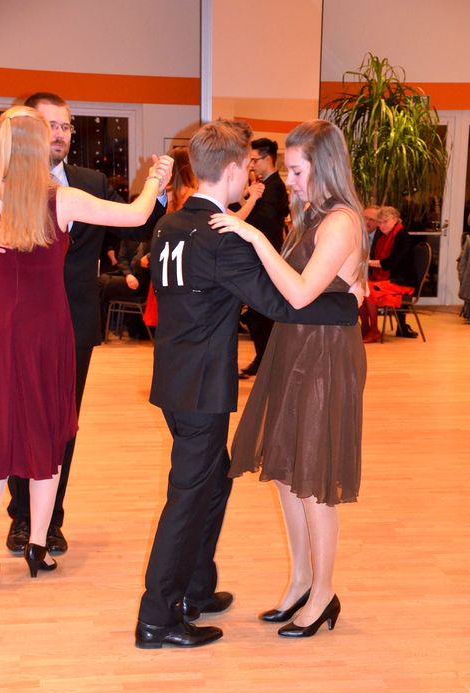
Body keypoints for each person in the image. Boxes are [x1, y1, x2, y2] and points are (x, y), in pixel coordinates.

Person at [135, 119, 361, 650]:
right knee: (189, 497)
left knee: (213, 483)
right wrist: (347, 305)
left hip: (174, 376)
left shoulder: (170, 224)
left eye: (296, 170)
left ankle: (196, 588)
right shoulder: (222, 238)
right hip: (201, 386)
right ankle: (157, 616)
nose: (267, 177)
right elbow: (284, 302)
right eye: (252, 169)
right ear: (235, 169)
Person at [210, 119, 368, 638]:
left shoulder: (340, 221)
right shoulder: (312, 216)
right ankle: (302, 580)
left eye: (298, 171)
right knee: (285, 469)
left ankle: (323, 593)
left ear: (324, 167)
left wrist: (254, 235)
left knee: (313, 477)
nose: (291, 180)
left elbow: (298, 293)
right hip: (295, 347)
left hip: (323, 355)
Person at [0, 105, 172, 576]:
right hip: (47, 330)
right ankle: (38, 544)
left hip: (5, 329)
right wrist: (156, 178)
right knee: (49, 433)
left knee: (4, 431)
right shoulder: (63, 199)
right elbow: (137, 214)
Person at [233, 138, 290, 378]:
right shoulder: (264, 185)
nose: (252, 165)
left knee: (260, 314)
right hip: (260, 256)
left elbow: (264, 223)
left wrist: (245, 205)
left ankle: (266, 360)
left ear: (268, 159)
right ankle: (264, 359)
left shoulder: (274, 186)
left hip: (265, 257)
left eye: (255, 160)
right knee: (257, 314)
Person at [143, 147, 197, 328]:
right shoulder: (195, 195)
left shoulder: (163, 194)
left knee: (165, 322)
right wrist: (252, 199)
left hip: (163, 261)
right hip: (186, 263)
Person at [359, 206, 418, 343]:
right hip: (391, 278)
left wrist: (368, 262)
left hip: (402, 282)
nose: (382, 225)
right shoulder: (384, 237)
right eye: (379, 222)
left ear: (396, 219)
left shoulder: (403, 237)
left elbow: (392, 262)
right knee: (360, 287)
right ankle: (366, 327)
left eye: (385, 221)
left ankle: (374, 330)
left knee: (368, 290)